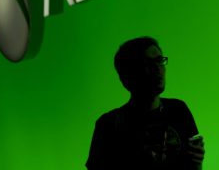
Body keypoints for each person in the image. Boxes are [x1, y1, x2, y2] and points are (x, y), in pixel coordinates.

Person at [86, 36, 205, 169]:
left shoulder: (178, 110)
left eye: (160, 60)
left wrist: (197, 162)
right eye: (147, 63)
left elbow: (194, 163)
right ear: (127, 76)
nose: (158, 68)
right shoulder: (108, 125)